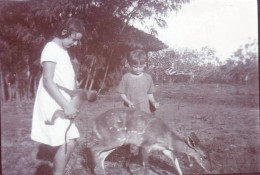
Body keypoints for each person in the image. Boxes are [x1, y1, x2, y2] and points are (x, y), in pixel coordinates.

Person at [31, 18, 85, 175]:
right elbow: (48, 80)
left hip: (62, 101)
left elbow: (61, 77)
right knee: (69, 139)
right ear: (64, 32)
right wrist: (67, 105)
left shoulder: (63, 51)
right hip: (52, 102)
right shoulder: (51, 48)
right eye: (73, 39)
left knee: (69, 139)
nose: (75, 44)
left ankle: (58, 172)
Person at [117, 49, 159, 114]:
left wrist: (153, 102)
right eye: (135, 67)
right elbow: (122, 93)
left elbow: (149, 93)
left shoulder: (148, 77)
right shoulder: (126, 77)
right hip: (130, 110)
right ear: (130, 65)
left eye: (140, 67)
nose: (137, 69)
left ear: (144, 65)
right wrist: (128, 102)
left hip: (145, 110)